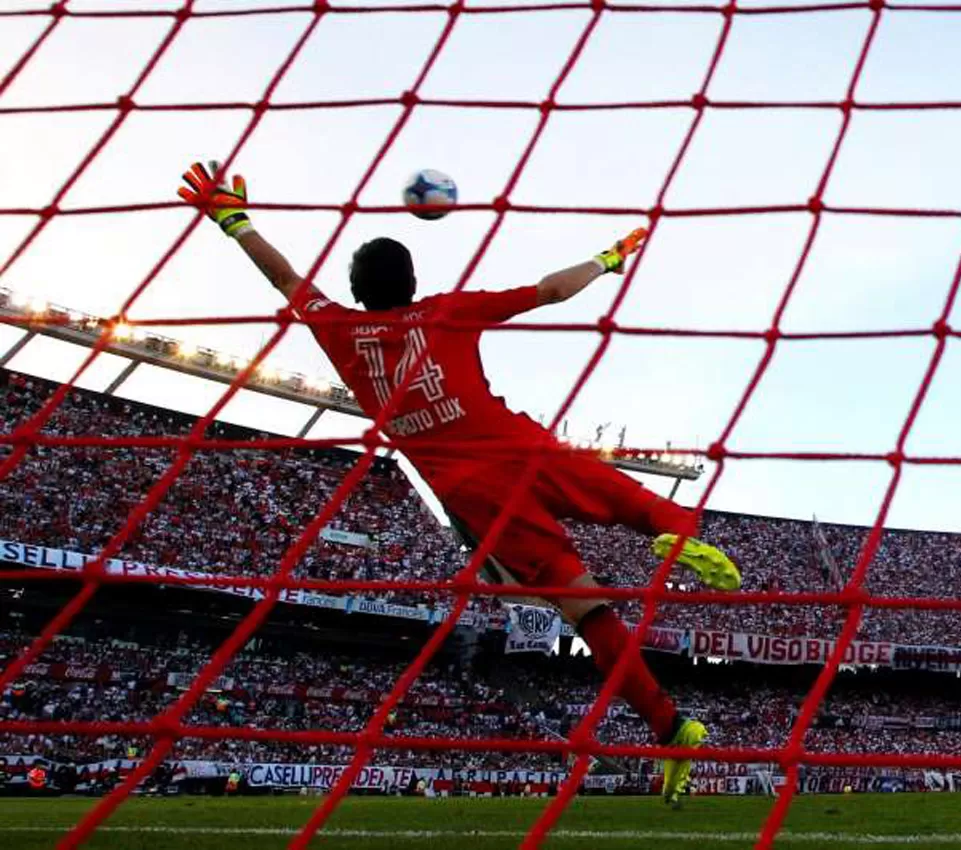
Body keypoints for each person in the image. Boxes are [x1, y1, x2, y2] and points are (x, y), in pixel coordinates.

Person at [179, 161, 742, 808]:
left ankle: (671, 727)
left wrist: (232, 220)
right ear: (414, 284)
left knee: (586, 610)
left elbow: (284, 277)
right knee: (634, 501)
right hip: (518, 446)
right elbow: (551, 291)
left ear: (358, 293)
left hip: (475, 494)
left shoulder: (338, 331)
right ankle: (674, 537)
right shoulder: (446, 313)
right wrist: (607, 259)